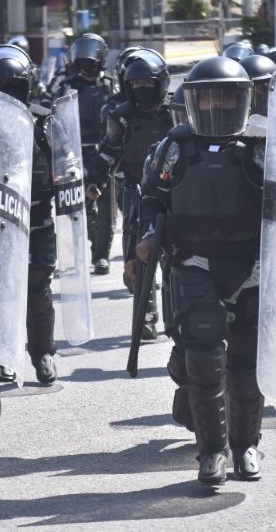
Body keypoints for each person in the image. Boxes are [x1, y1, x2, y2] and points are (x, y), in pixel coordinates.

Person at [136, 57, 267, 484]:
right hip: (194, 261)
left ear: (243, 99)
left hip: (249, 268)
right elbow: (152, 195)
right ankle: (212, 453)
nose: (214, 103)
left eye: (225, 95)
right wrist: (146, 234)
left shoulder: (262, 144)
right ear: (192, 100)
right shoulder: (176, 145)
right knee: (204, 352)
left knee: (245, 366)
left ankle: (247, 445)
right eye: (206, 95)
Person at [0, 44, 60, 422]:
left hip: (35, 220)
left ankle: (42, 353)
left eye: (13, 86)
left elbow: (65, 167)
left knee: (37, 289)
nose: (5, 92)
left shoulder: (44, 121)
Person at [95, 53, 173, 339]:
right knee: (139, 259)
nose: (141, 87)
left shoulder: (175, 112)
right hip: (136, 192)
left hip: (173, 192)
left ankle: (176, 315)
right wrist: (94, 180)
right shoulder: (122, 115)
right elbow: (108, 151)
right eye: (135, 82)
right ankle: (146, 317)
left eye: (147, 82)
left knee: (176, 258)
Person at [54, 34, 118, 274]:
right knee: (80, 208)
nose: (87, 62)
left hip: (105, 153)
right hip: (74, 154)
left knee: (105, 207)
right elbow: (55, 118)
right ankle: (86, 249)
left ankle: (102, 256)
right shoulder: (67, 85)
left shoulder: (112, 84)